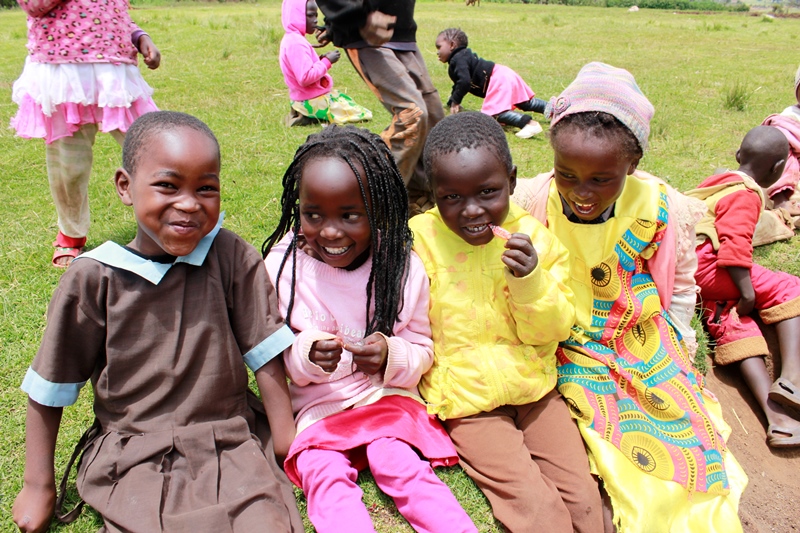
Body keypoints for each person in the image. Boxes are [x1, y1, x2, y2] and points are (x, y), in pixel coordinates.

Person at [12, 111, 303, 533]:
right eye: (168, 185)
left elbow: (266, 356)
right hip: (134, 449)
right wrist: (37, 485)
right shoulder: (94, 277)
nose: (188, 203)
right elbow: (50, 385)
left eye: (206, 188)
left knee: (265, 522)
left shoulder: (231, 256)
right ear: (125, 186)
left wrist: (286, 444)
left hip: (229, 436)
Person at [510, 62, 748, 532]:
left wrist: (679, 342)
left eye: (601, 179)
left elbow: (680, 286)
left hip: (638, 335)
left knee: (682, 418)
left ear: (631, 165)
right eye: (567, 174)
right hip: (565, 335)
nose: (582, 193)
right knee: (606, 435)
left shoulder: (662, 204)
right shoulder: (531, 198)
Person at [262, 126, 476, 533]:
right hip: (318, 410)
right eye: (313, 214)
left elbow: (422, 348)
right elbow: (276, 354)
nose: (330, 231)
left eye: (350, 215)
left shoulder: (401, 267)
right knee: (319, 471)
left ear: (378, 208)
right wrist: (306, 354)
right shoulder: (283, 268)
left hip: (386, 401)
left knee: (395, 460)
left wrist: (391, 355)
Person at [409, 111, 603, 533]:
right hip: (469, 403)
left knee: (587, 505)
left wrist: (530, 281)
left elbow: (555, 330)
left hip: (535, 390)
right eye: (451, 198)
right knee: (539, 513)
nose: (471, 210)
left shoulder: (536, 241)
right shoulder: (417, 241)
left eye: (487, 192)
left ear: (512, 182)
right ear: (433, 193)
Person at [11, 0, 161, 267]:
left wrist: (139, 36)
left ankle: (171, 220)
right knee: (69, 165)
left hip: (114, 74)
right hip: (64, 72)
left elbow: (111, 14)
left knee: (154, 147)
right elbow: (33, 5)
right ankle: (71, 233)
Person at [686, 126, 800, 448]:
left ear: (738, 156)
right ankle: (792, 380)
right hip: (710, 264)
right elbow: (734, 246)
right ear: (778, 170)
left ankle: (778, 419)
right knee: (790, 287)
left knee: (733, 319)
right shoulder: (746, 194)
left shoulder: (719, 183)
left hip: (686, 273)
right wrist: (748, 292)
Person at [314, 0, 445, 215]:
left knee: (434, 118)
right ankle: (373, 204)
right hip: (367, 32)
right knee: (411, 114)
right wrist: (351, 16)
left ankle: (417, 199)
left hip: (401, 34)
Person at [434, 28, 547, 139]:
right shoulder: (461, 57)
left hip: (497, 79)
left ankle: (529, 124)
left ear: (452, 45)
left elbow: (464, 82)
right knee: (524, 103)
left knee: (496, 113)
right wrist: (451, 101)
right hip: (502, 73)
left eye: (439, 47)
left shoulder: (457, 59)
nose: (437, 52)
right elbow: (459, 84)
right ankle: (554, 108)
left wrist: (456, 102)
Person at [279, 0, 372, 127]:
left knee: (343, 99)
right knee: (361, 113)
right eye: (310, 15)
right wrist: (327, 61)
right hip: (310, 100)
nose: (316, 20)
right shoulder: (296, 43)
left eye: (316, 15)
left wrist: (320, 59)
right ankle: (308, 116)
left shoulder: (292, 39)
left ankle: (305, 114)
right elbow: (305, 78)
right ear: (296, 15)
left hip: (303, 99)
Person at [760, 64, 800, 215]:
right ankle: (781, 204)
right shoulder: (790, 119)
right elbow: (778, 154)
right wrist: (781, 196)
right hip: (786, 182)